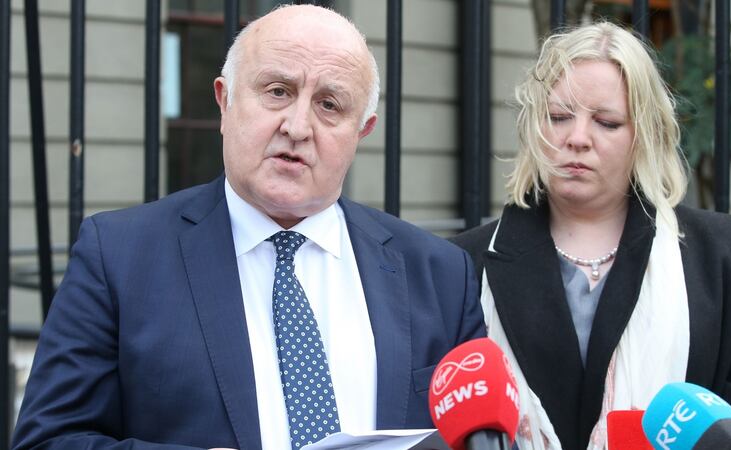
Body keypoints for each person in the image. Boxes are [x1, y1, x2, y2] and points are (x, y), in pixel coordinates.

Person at [12, 5, 485, 450]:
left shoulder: (440, 274)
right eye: (278, 91)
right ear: (225, 101)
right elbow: (50, 440)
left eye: (329, 104)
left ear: (362, 130)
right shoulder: (118, 257)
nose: (297, 127)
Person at [451, 22, 731, 450]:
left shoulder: (725, 256)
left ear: (644, 135)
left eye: (606, 122)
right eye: (559, 117)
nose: (577, 138)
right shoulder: (461, 263)